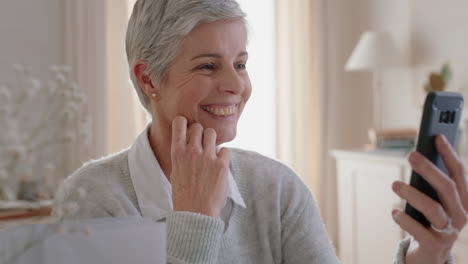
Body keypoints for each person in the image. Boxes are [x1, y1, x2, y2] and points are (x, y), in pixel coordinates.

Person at [54, 0, 467, 263]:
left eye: (241, 63)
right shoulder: (92, 200)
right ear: (148, 79)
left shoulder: (276, 188)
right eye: (207, 65)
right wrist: (195, 220)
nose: (235, 86)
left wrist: (425, 256)